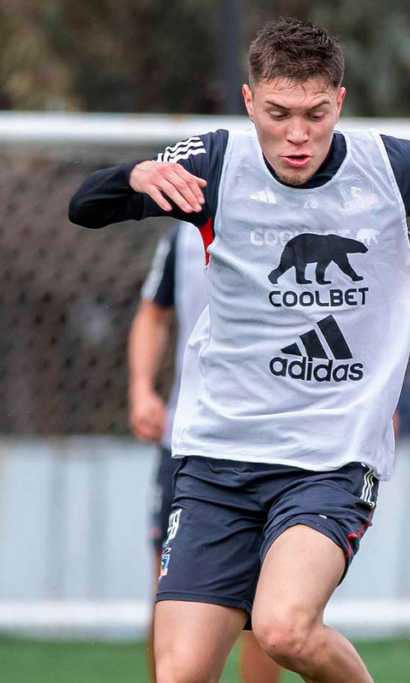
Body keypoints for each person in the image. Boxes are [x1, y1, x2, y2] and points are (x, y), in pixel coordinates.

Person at [68, 17, 410, 683]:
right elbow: (82, 207)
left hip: (327, 458)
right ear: (249, 103)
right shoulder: (212, 163)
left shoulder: (389, 167)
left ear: (340, 102)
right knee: (179, 671)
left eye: (314, 113)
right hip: (216, 456)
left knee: (283, 626)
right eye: (277, 114)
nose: (296, 134)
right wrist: (134, 175)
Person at [128, 222, 280, 683]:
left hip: (276, 440)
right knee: (170, 588)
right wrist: (140, 390)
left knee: (268, 600)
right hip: (188, 439)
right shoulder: (181, 235)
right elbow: (152, 313)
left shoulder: (301, 216)